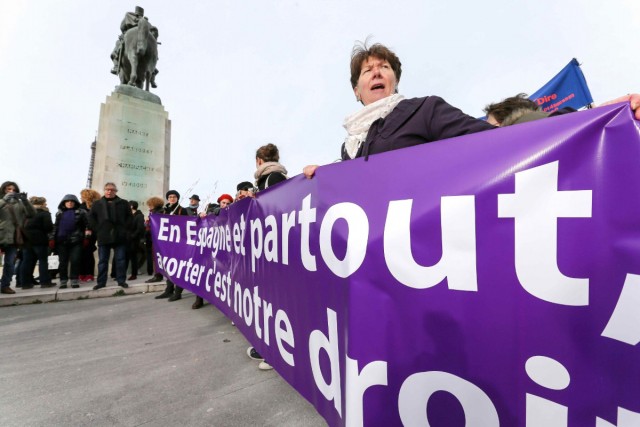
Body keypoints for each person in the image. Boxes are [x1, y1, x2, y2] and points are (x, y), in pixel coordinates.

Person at [303, 42, 496, 178]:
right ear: (357, 92)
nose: (376, 72)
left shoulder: (426, 110)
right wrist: (323, 180)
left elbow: (491, 141)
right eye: (367, 70)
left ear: (395, 82)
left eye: (384, 67)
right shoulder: (350, 147)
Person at [88, 182, 132, 290]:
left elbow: (130, 217)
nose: (109, 191)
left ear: (116, 191)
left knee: (121, 260)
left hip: (119, 236)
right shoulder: (97, 204)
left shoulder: (124, 203)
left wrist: (124, 229)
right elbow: (91, 218)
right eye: (107, 189)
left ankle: (121, 281)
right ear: (104, 191)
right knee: (103, 260)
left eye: (112, 190)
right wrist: (98, 229)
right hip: (103, 236)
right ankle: (101, 282)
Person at [110, 6, 159, 87]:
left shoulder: (129, 16)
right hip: (147, 40)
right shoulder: (148, 24)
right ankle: (152, 76)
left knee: (115, 50)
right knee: (154, 57)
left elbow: (122, 27)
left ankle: (115, 66)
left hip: (128, 36)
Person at [0, 181, 35, 294]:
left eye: (14, 189)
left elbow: (32, 214)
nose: (11, 191)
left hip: (14, 236)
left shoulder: (19, 203)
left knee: (10, 262)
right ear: (3, 190)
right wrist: (4, 200)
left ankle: (5, 285)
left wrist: (25, 201)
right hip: (1, 234)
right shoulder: (2, 201)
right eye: (8, 189)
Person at [155, 190, 188, 301]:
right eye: (170, 197)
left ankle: (178, 292)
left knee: (178, 267)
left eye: (174, 196)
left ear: (177, 198)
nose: (172, 198)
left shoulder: (182, 210)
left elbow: (186, 225)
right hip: (166, 244)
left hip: (179, 244)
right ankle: (169, 289)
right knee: (168, 266)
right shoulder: (163, 210)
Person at [51, 194, 89, 289]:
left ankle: (74, 280)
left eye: (72, 201)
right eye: (67, 201)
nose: (70, 203)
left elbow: (88, 225)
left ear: (75, 202)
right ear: (64, 203)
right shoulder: (59, 213)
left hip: (76, 240)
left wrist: (87, 237)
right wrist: (51, 238)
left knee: (75, 260)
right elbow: (56, 226)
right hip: (61, 241)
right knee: (62, 262)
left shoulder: (82, 212)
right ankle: (63, 281)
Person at [21, 196, 55, 289]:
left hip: (27, 240)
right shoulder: (44, 213)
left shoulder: (25, 213)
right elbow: (48, 227)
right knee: (43, 261)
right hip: (40, 240)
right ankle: (45, 282)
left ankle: (25, 283)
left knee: (26, 261)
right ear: (42, 204)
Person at [78, 189, 101, 282]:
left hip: (88, 233)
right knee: (86, 253)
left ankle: (86, 274)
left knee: (86, 253)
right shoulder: (95, 207)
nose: (80, 198)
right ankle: (86, 274)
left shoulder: (83, 207)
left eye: (82, 196)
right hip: (88, 233)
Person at [144, 196, 165, 283]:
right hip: (155, 237)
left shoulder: (157, 213)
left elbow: (153, 225)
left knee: (157, 257)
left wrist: (147, 223)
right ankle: (157, 274)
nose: (149, 206)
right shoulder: (154, 212)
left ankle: (158, 275)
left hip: (157, 238)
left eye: (150, 204)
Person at [126, 201, 145, 281]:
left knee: (133, 258)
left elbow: (140, 228)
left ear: (131, 206)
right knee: (126, 257)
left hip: (134, 240)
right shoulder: (128, 215)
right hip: (127, 239)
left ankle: (134, 274)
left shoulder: (139, 216)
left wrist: (132, 236)